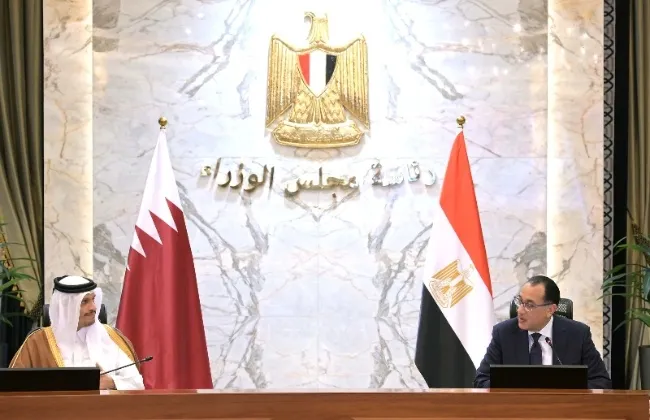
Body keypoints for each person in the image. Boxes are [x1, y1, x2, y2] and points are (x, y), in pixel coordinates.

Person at [474, 275, 611, 389]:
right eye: (520, 302)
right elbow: (481, 380)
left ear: (550, 310)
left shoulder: (578, 334)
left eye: (529, 305)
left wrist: (566, 393)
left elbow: (601, 381)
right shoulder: (503, 333)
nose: (520, 310)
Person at [10, 275, 145, 390]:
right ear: (66, 307)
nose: (93, 307)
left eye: (93, 299)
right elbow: (13, 386)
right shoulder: (37, 342)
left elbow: (137, 384)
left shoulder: (111, 337)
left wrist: (112, 382)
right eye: (84, 302)